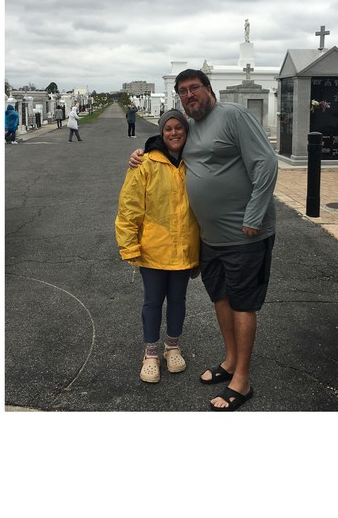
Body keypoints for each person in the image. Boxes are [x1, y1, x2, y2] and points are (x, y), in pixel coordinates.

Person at [129, 69, 277, 411]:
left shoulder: (232, 116)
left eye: (194, 88)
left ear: (209, 89)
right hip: (210, 238)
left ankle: (242, 379)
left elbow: (266, 163)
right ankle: (229, 361)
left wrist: (254, 216)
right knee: (221, 299)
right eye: (183, 91)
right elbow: (168, 145)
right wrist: (140, 153)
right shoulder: (191, 127)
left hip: (244, 234)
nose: (189, 95)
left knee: (242, 303)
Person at [116, 109, 200, 384]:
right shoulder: (145, 164)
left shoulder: (196, 163)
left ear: (186, 132)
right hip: (153, 250)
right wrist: (129, 247)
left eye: (179, 128)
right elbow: (129, 208)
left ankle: (172, 346)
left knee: (178, 300)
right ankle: (151, 352)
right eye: (168, 129)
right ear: (161, 133)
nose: (174, 133)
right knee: (153, 301)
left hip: (184, 248)